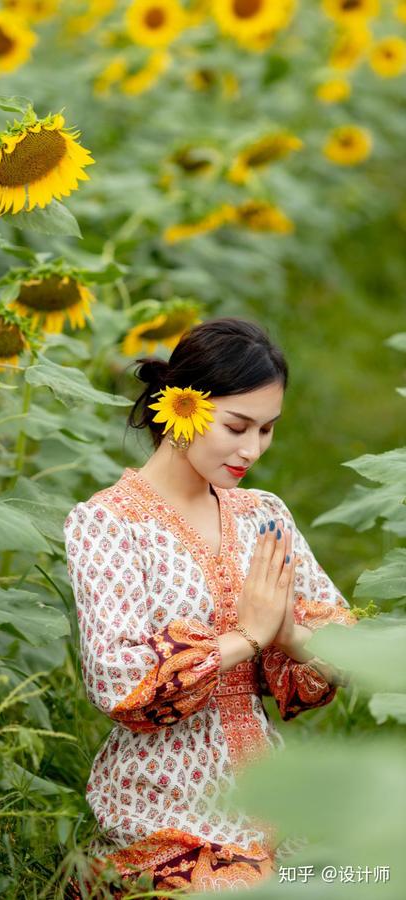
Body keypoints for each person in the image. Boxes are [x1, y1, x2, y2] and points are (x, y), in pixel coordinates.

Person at [63, 317, 357, 895]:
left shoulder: (263, 514)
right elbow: (116, 681)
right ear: (184, 408)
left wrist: (289, 637)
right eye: (237, 425)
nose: (252, 449)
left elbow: (342, 647)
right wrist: (245, 638)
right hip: (162, 801)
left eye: (267, 430)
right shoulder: (108, 524)